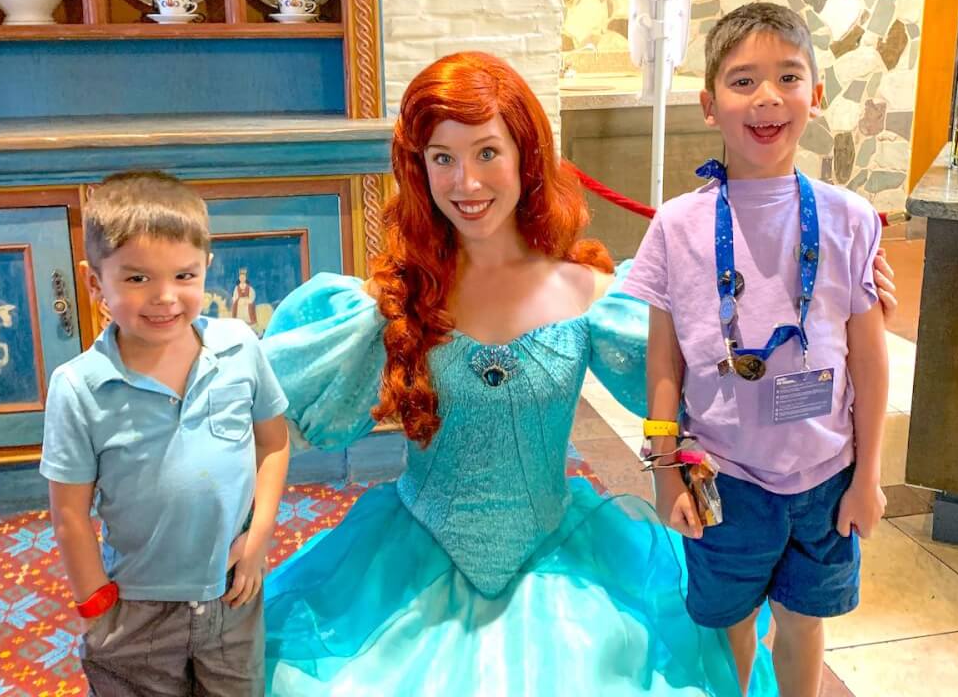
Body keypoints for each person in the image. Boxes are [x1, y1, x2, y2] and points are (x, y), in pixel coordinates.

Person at [259, 52, 778, 696]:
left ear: (526, 156)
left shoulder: (589, 294)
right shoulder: (393, 301)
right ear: (418, 167)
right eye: (442, 157)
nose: (466, 182)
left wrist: (837, 304)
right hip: (411, 558)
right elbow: (269, 394)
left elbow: (707, 371)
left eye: (486, 152)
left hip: (562, 564)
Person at [624, 3, 889, 697]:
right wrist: (664, 471)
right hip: (725, 478)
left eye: (788, 77)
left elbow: (868, 359)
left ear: (816, 94)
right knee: (730, 627)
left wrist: (868, 477)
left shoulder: (850, 217)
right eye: (743, 81)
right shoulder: (678, 226)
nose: (767, 97)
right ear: (710, 105)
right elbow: (664, 363)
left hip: (827, 477)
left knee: (804, 623)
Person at [40, 171, 290, 696]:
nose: (165, 297)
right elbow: (69, 515)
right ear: (94, 283)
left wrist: (259, 537)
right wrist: (96, 606)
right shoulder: (78, 387)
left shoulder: (240, 348)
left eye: (184, 275)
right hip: (135, 610)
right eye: (137, 278)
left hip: (231, 594)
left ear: (206, 269)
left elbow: (273, 443)